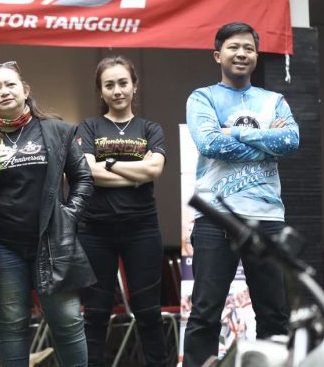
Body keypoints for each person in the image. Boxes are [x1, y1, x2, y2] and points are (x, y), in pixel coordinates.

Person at [0, 61, 94, 367]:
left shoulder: (58, 131)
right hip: (4, 248)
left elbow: (83, 179)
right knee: (12, 325)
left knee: (68, 321)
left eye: (10, 85)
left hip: (52, 242)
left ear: (25, 91)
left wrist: (69, 216)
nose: (4, 91)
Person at [183, 22, 300, 366]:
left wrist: (232, 132)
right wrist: (266, 141)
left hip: (267, 218)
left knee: (274, 314)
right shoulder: (202, 97)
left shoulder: (274, 100)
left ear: (256, 56)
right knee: (205, 313)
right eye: (234, 47)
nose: (242, 54)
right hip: (215, 217)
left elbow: (291, 140)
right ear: (217, 55)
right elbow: (209, 143)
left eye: (249, 48)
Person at [75, 55, 170, 366]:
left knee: (149, 312)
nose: (117, 90)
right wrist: (135, 174)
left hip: (142, 229)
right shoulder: (88, 127)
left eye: (123, 83)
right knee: (96, 314)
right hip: (95, 230)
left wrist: (110, 164)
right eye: (109, 85)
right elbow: (88, 173)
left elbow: (154, 170)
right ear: (100, 91)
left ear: (134, 86)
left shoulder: (150, 128)